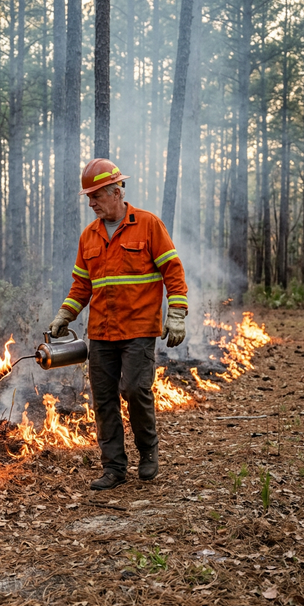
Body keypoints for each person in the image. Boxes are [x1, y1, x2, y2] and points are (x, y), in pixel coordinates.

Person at [49, 158, 188, 490]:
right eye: (88, 198)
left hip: (139, 329)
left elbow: (174, 273)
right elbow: (82, 286)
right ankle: (113, 467)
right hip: (101, 331)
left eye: (96, 196)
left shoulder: (148, 225)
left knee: (135, 389)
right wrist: (64, 315)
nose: (91, 203)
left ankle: (148, 451)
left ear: (116, 191)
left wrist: (177, 314)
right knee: (104, 399)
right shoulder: (90, 236)